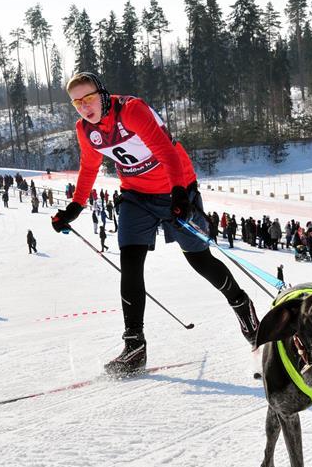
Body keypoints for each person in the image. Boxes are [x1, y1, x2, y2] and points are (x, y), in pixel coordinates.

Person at [51, 72, 259, 375]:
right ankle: (134, 345)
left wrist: (178, 192)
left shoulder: (131, 111)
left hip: (175, 187)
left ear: (103, 94)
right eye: (77, 102)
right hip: (136, 195)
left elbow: (165, 150)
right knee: (130, 262)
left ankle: (244, 309)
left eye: (89, 98)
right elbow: (89, 167)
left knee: (200, 260)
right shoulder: (85, 130)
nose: (84, 107)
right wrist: (75, 206)